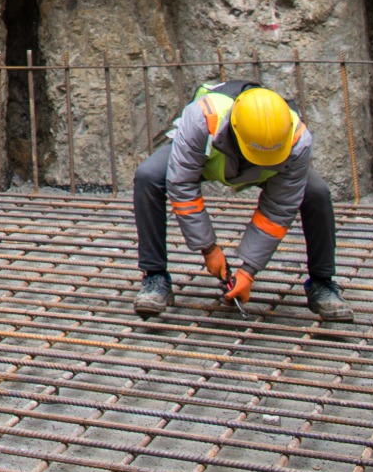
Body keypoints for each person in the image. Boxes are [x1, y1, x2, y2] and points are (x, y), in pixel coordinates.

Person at [132, 80, 350, 321]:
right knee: (148, 176)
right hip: (209, 157)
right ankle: (155, 277)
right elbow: (182, 184)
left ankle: (322, 282)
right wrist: (208, 248)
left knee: (317, 193)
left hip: (272, 169)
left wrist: (248, 270)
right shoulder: (203, 118)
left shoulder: (298, 139)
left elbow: (278, 210)